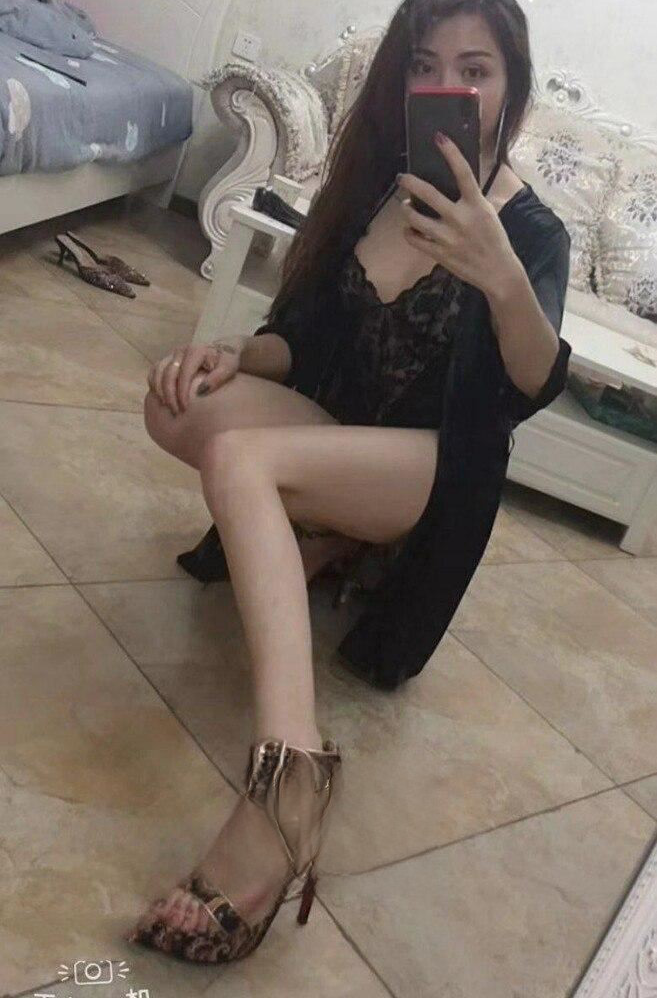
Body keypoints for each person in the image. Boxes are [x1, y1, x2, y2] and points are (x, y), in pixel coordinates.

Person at [127, 0, 572, 965]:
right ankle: (324, 534)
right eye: (424, 64)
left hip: (430, 473)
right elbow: (307, 339)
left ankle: (288, 780)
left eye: (475, 69)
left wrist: (499, 275)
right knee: (178, 408)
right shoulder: (376, 189)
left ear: (511, 89)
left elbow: (534, 385)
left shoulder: (530, 231)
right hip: (343, 436)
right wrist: (233, 354)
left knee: (241, 460)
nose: (446, 87)